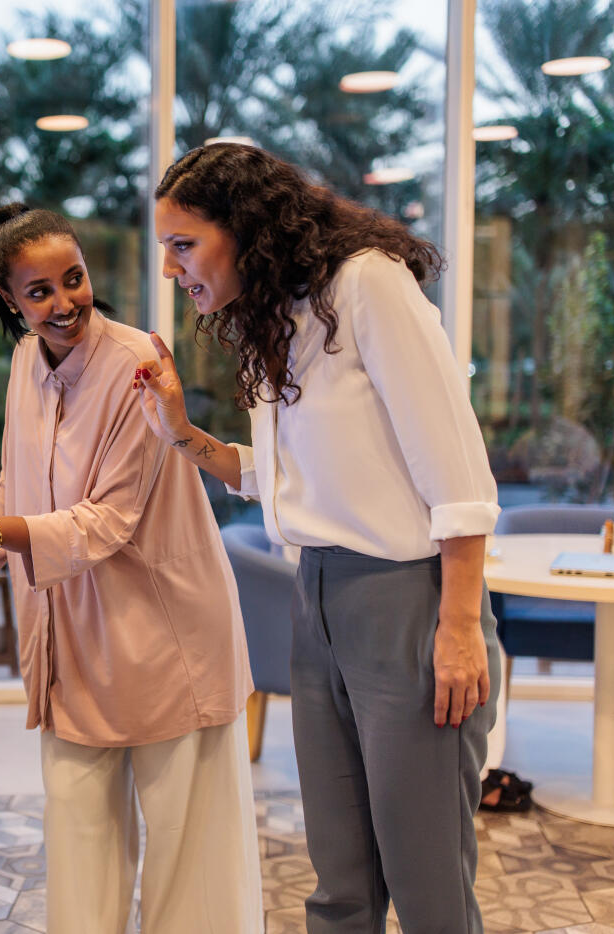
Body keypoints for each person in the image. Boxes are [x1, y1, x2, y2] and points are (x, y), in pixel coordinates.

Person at [135, 142, 500, 933]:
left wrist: (461, 627)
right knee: (341, 882)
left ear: (245, 226)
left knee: (427, 882)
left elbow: (458, 473)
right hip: (318, 599)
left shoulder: (368, 284)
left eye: (183, 244)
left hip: (408, 604)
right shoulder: (282, 316)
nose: (172, 268)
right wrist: (182, 435)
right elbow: (290, 477)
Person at [0, 203, 262, 933]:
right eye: (40, 292)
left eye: (75, 279)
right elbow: (19, 481)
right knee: (79, 840)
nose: (65, 304)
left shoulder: (137, 368)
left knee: (190, 860)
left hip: (166, 635)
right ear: (9, 300)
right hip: (73, 641)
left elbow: (108, 521)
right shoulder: (28, 362)